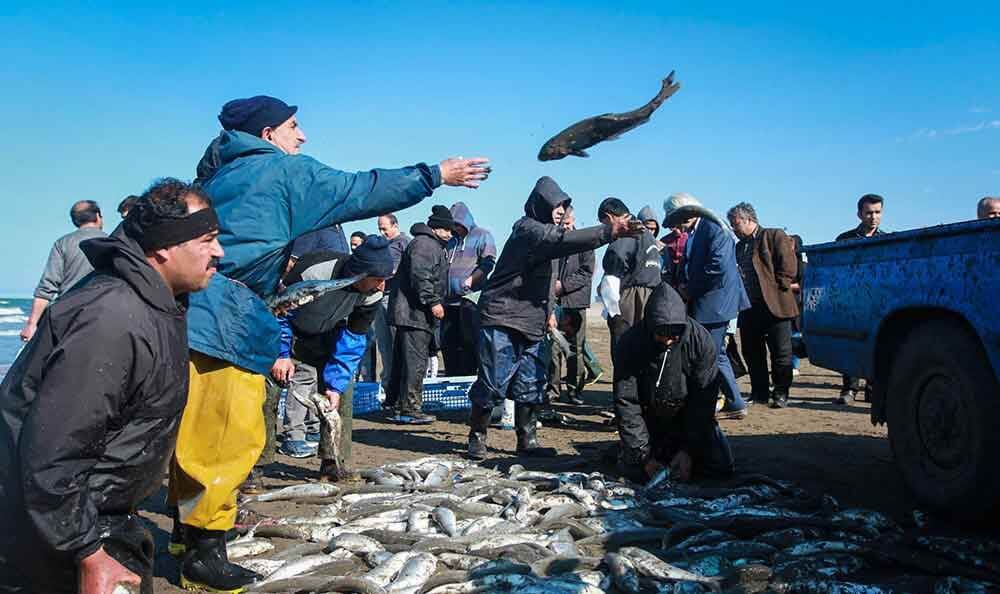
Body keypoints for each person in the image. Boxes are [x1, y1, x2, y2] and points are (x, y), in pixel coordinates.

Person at [172, 94, 489, 592]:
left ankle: (183, 534)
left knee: (194, 431)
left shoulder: (219, 173)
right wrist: (434, 174)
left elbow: (351, 338)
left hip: (191, 313)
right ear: (268, 133)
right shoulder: (276, 171)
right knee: (227, 435)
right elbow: (358, 189)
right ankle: (203, 556)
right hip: (224, 317)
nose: (302, 135)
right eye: (294, 125)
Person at [0, 179, 223, 594]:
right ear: (163, 248)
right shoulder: (111, 318)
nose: (219, 252)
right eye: (207, 239)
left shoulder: (159, 303)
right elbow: (52, 452)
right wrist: (86, 551)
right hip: (55, 533)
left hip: (101, 514)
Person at [467, 176, 641, 460]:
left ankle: (527, 440)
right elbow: (559, 240)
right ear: (540, 205)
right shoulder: (528, 229)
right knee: (492, 382)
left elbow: (545, 280)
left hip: (533, 320)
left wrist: (548, 312)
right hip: (502, 316)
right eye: (556, 205)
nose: (561, 210)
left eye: (564, 205)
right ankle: (478, 437)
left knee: (531, 382)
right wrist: (611, 231)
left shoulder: (548, 237)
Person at [279, 236, 393, 481]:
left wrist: (335, 386)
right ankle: (257, 464)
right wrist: (281, 354)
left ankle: (332, 463)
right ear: (359, 273)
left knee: (341, 395)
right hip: (288, 332)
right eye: (377, 279)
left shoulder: (371, 294)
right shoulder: (316, 271)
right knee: (266, 391)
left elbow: (353, 338)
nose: (382, 286)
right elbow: (279, 310)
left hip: (327, 336)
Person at [613, 283, 735, 482]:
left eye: (673, 335)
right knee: (633, 471)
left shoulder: (700, 341)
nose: (668, 341)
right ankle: (632, 450)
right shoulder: (630, 343)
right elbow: (626, 401)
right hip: (649, 418)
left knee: (720, 467)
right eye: (661, 334)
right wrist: (643, 456)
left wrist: (688, 450)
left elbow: (703, 401)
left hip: (687, 417)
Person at [663, 193, 750, 419]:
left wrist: (688, 289)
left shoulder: (713, 228)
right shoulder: (699, 230)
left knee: (709, 355)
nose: (677, 225)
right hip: (709, 304)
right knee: (715, 353)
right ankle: (734, 402)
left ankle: (714, 403)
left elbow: (717, 268)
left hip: (716, 305)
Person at [727, 202, 799, 409]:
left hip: (775, 306)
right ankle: (759, 392)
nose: (734, 229)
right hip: (749, 308)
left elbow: (788, 266)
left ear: (750, 220)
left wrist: (778, 287)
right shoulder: (739, 246)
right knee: (752, 351)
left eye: (736, 224)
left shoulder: (774, 236)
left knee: (781, 352)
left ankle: (781, 392)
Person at [386, 206, 453, 424]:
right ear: (437, 228)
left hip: (409, 313)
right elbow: (421, 276)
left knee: (404, 362)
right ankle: (410, 408)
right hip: (414, 314)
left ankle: (397, 405)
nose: (451, 234)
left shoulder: (424, 243)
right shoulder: (426, 245)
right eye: (448, 230)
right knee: (415, 363)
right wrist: (433, 301)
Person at [20, 200, 106, 342]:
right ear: (98, 216)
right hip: (102, 312)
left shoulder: (63, 243)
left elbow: (47, 286)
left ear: (75, 221)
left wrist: (31, 324)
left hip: (68, 313)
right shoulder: (112, 243)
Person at [834, 193, 885, 404]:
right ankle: (849, 389)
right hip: (852, 301)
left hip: (879, 302)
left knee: (878, 345)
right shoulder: (845, 240)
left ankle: (873, 388)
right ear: (859, 214)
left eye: (877, 212)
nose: (873, 217)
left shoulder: (888, 240)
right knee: (851, 345)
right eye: (869, 212)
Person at [597, 198, 662, 347]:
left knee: (625, 349)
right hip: (652, 298)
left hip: (632, 301)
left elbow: (612, 277)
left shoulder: (626, 233)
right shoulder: (647, 234)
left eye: (604, 224)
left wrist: (614, 314)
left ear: (609, 217)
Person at [441, 202, 497, 376]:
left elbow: (488, 263)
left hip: (470, 300)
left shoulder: (482, 235)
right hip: (448, 302)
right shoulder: (450, 241)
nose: (455, 228)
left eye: (457, 224)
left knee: (469, 343)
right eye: (453, 225)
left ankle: (469, 380)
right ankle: (452, 380)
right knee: (448, 343)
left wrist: (472, 279)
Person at [549, 206, 596, 405]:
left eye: (569, 224)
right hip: (554, 303)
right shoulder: (552, 242)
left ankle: (575, 390)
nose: (567, 228)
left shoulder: (585, 242)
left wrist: (563, 286)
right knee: (553, 348)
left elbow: (587, 272)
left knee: (576, 348)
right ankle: (553, 389)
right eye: (563, 224)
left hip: (576, 303)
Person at [373, 214, 411, 388]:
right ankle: (389, 387)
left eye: (384, 229)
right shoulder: (382, 245)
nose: (382, 232)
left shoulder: (405, 242)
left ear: (395, 225)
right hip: (380, 297)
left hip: (396, 298)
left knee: (398, 343)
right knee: (384, 345)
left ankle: (402, 385)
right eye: (380, 229)